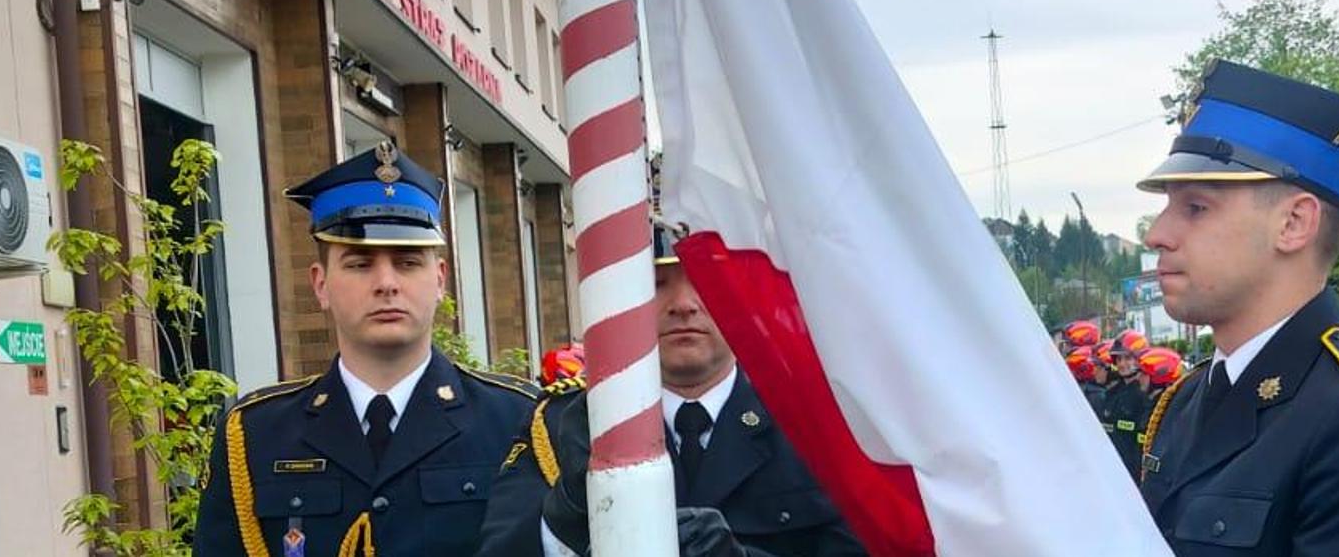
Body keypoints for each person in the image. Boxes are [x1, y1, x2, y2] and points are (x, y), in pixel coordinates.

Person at [1134, 60, 1339, 555]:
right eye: (1167, 207)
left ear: (1293, 224)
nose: (1157, 235)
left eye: (1195, 208)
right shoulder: (1185, 399)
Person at [195, 142, 539, 556]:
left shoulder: (518, 421)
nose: (386, 283)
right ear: (320, 284)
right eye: (359, 264)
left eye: (408, 262)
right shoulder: (255, 435)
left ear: (440, 280)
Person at [477, 228, 866, 557]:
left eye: (705, 280)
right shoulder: (567, 423)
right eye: (655, 284)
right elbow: (501, 548)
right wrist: (568, 511)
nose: (683, 305)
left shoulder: (814, 422)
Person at [1095, 334, 1151, 480]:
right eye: (1119, 359)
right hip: (1111, 468)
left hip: (1133, 474)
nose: (1121, 364)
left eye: (1127, 358)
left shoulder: (1144, 395)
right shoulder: (1112, 392)